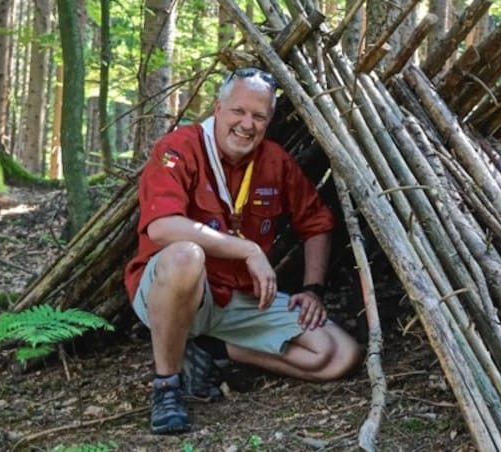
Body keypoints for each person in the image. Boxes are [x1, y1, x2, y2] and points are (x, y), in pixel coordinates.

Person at [124, 67, 362, 435]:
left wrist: (312, 289)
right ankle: (167, 387)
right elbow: (163, 226)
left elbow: (317, 222)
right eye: (238, 111)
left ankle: (211, 350)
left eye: (259, 116)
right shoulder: (179, 149)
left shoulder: (273, 161)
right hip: (177, 292)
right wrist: (247, 249)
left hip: (238, 301)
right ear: (218, 108)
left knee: (339, 356)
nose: (247, 124)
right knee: (185, 256)